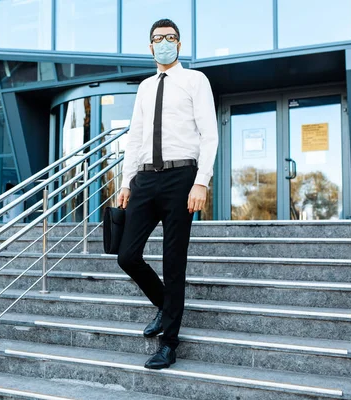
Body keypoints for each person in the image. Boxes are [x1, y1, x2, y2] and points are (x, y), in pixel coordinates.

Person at [117, 18, 218, 370]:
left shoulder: (195, 80)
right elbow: (135, 137)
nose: (164, 43)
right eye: (158, 39)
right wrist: (127, 181)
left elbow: (209, 134)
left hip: (181, 178)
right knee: (127, 256)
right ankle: (165, 304)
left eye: (170, 38)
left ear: (179, 43)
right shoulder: (145, 87)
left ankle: (169, 344)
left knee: (174, 263)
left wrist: (201, 180)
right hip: (145, 180)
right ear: (150, 47)